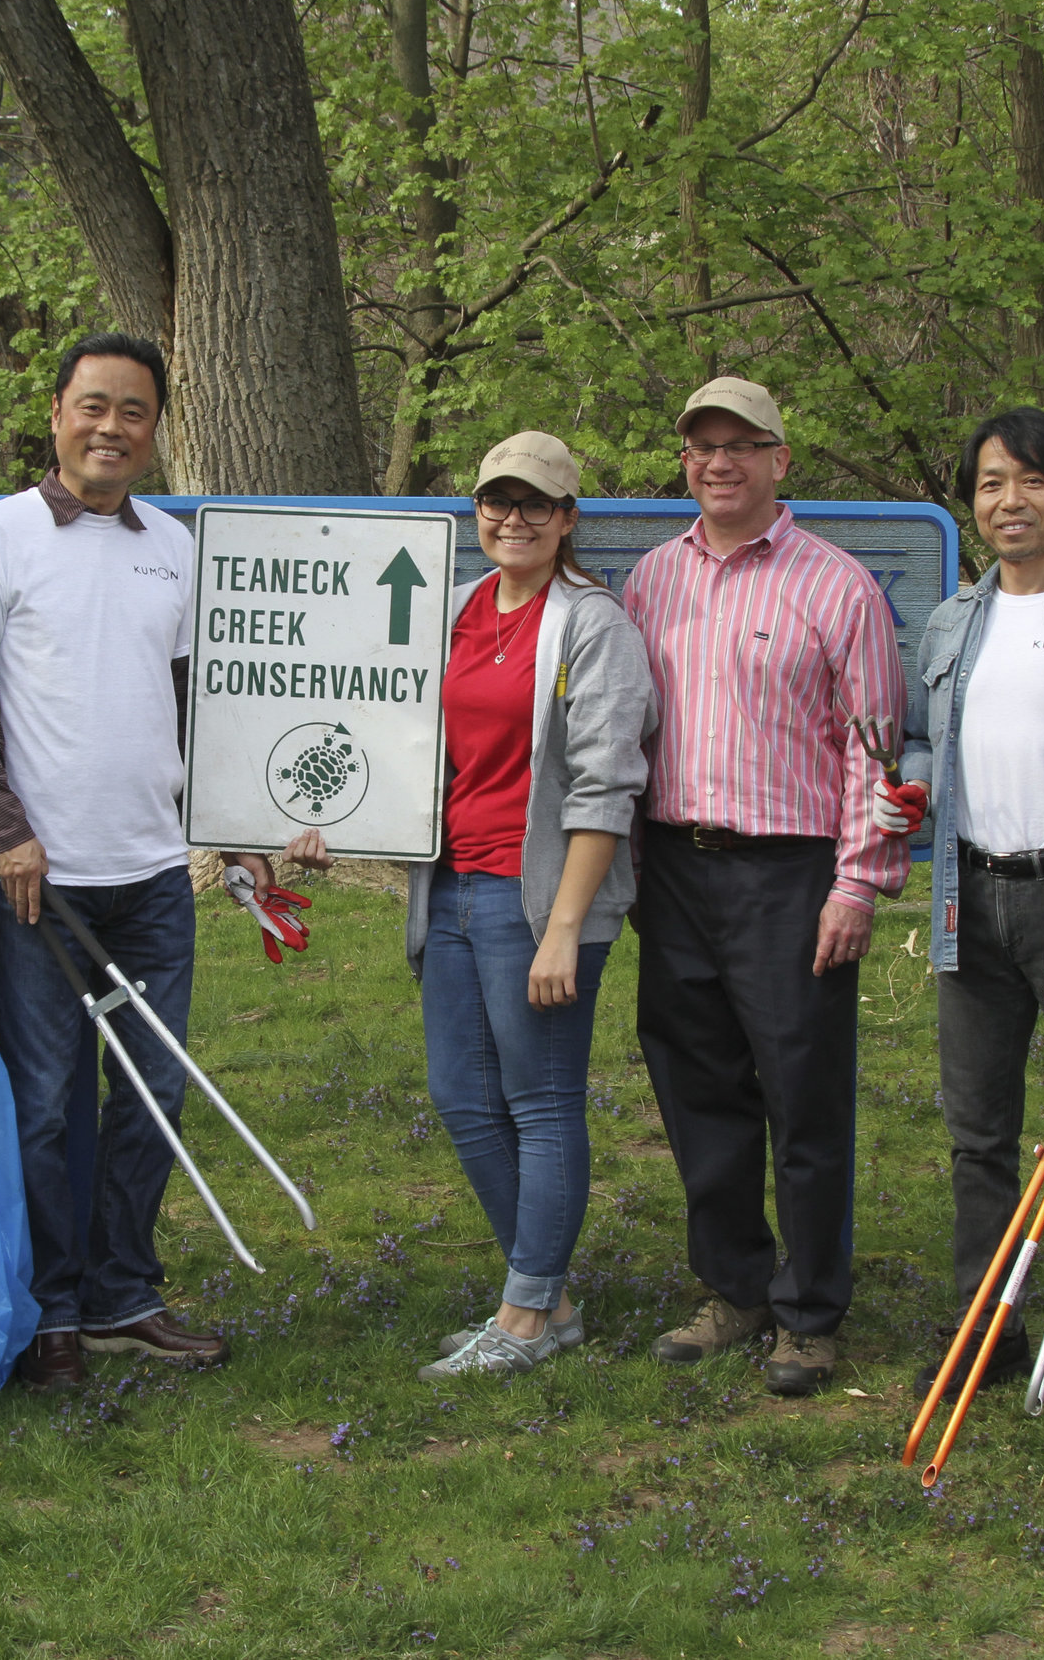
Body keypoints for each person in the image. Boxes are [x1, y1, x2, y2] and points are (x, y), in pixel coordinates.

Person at [0, 331, 302, 1392]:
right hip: (39, 878)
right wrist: (5, 829)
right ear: (55, 414)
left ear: (154, 429)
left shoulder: (173, 548)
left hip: (152, 876)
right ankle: (50, 1309)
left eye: (132, 410)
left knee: (152, 1094)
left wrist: (230, 823)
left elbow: (201, 703)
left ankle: (123, 1294)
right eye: (91, 405)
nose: (109, 427)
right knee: (44, 1102)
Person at [624, 377, 908, 1397]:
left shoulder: (837, 586)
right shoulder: (652, 581)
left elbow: (875, 750)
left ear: (780, 460)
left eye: (741, 444)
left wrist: (858, 882)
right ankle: (735, 1285)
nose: (719, 462)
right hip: (676, 866)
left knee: (804, 1097)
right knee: (696, 1090)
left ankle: (810, 1310)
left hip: (789, 873)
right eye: (701, 445)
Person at [883, 408, 1044, 1399]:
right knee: (978, 1134)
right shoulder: (952, 622)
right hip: (971, 901)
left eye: (1030, 480)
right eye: (991, 482)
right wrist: (908, 781)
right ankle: (983, 1333)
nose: (1009, 500)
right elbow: (921, 738)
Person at [400, 432, 653, 1380]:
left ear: (568, 518)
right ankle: (546, 1293)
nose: (513, 519)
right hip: (454, 887)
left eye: (535, 504)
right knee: (462, 1096)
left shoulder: (593, 625)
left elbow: (605, 787)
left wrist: (563, 928)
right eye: (496, 502)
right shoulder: (460, 609)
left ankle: (528, 1312)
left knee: (540, 1101)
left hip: (537, 899)